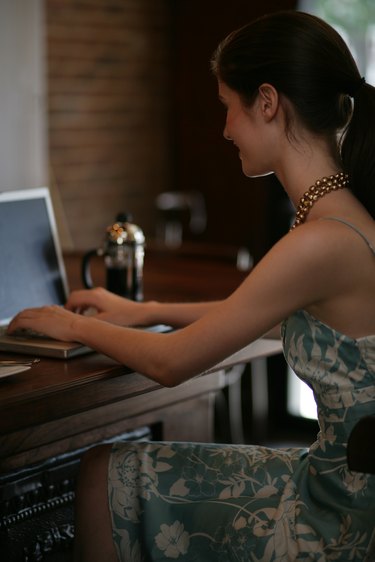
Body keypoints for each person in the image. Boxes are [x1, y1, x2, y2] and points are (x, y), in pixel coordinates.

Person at [8, 9, 375, 561]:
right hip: (349, 488)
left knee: (106, 472)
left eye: (229, 106)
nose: (225, 129)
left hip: (341, 519)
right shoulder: (341, 218)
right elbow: (273, 317)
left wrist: (67, 324)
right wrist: (139, 310)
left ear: (269, 102)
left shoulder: (323, 237)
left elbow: (173, 363)